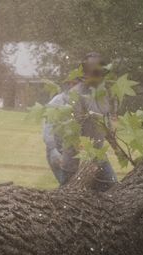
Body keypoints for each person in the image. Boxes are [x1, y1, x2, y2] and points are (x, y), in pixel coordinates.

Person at [43, 53, 118, 188]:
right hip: (74, 160)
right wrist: (54, 150)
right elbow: (69, 133)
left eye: (100, 72)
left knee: (113, 188)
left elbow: (106, 123)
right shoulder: (72, 97)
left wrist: (116, 147)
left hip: (97, 155)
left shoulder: (102, 94)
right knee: (73, 195)